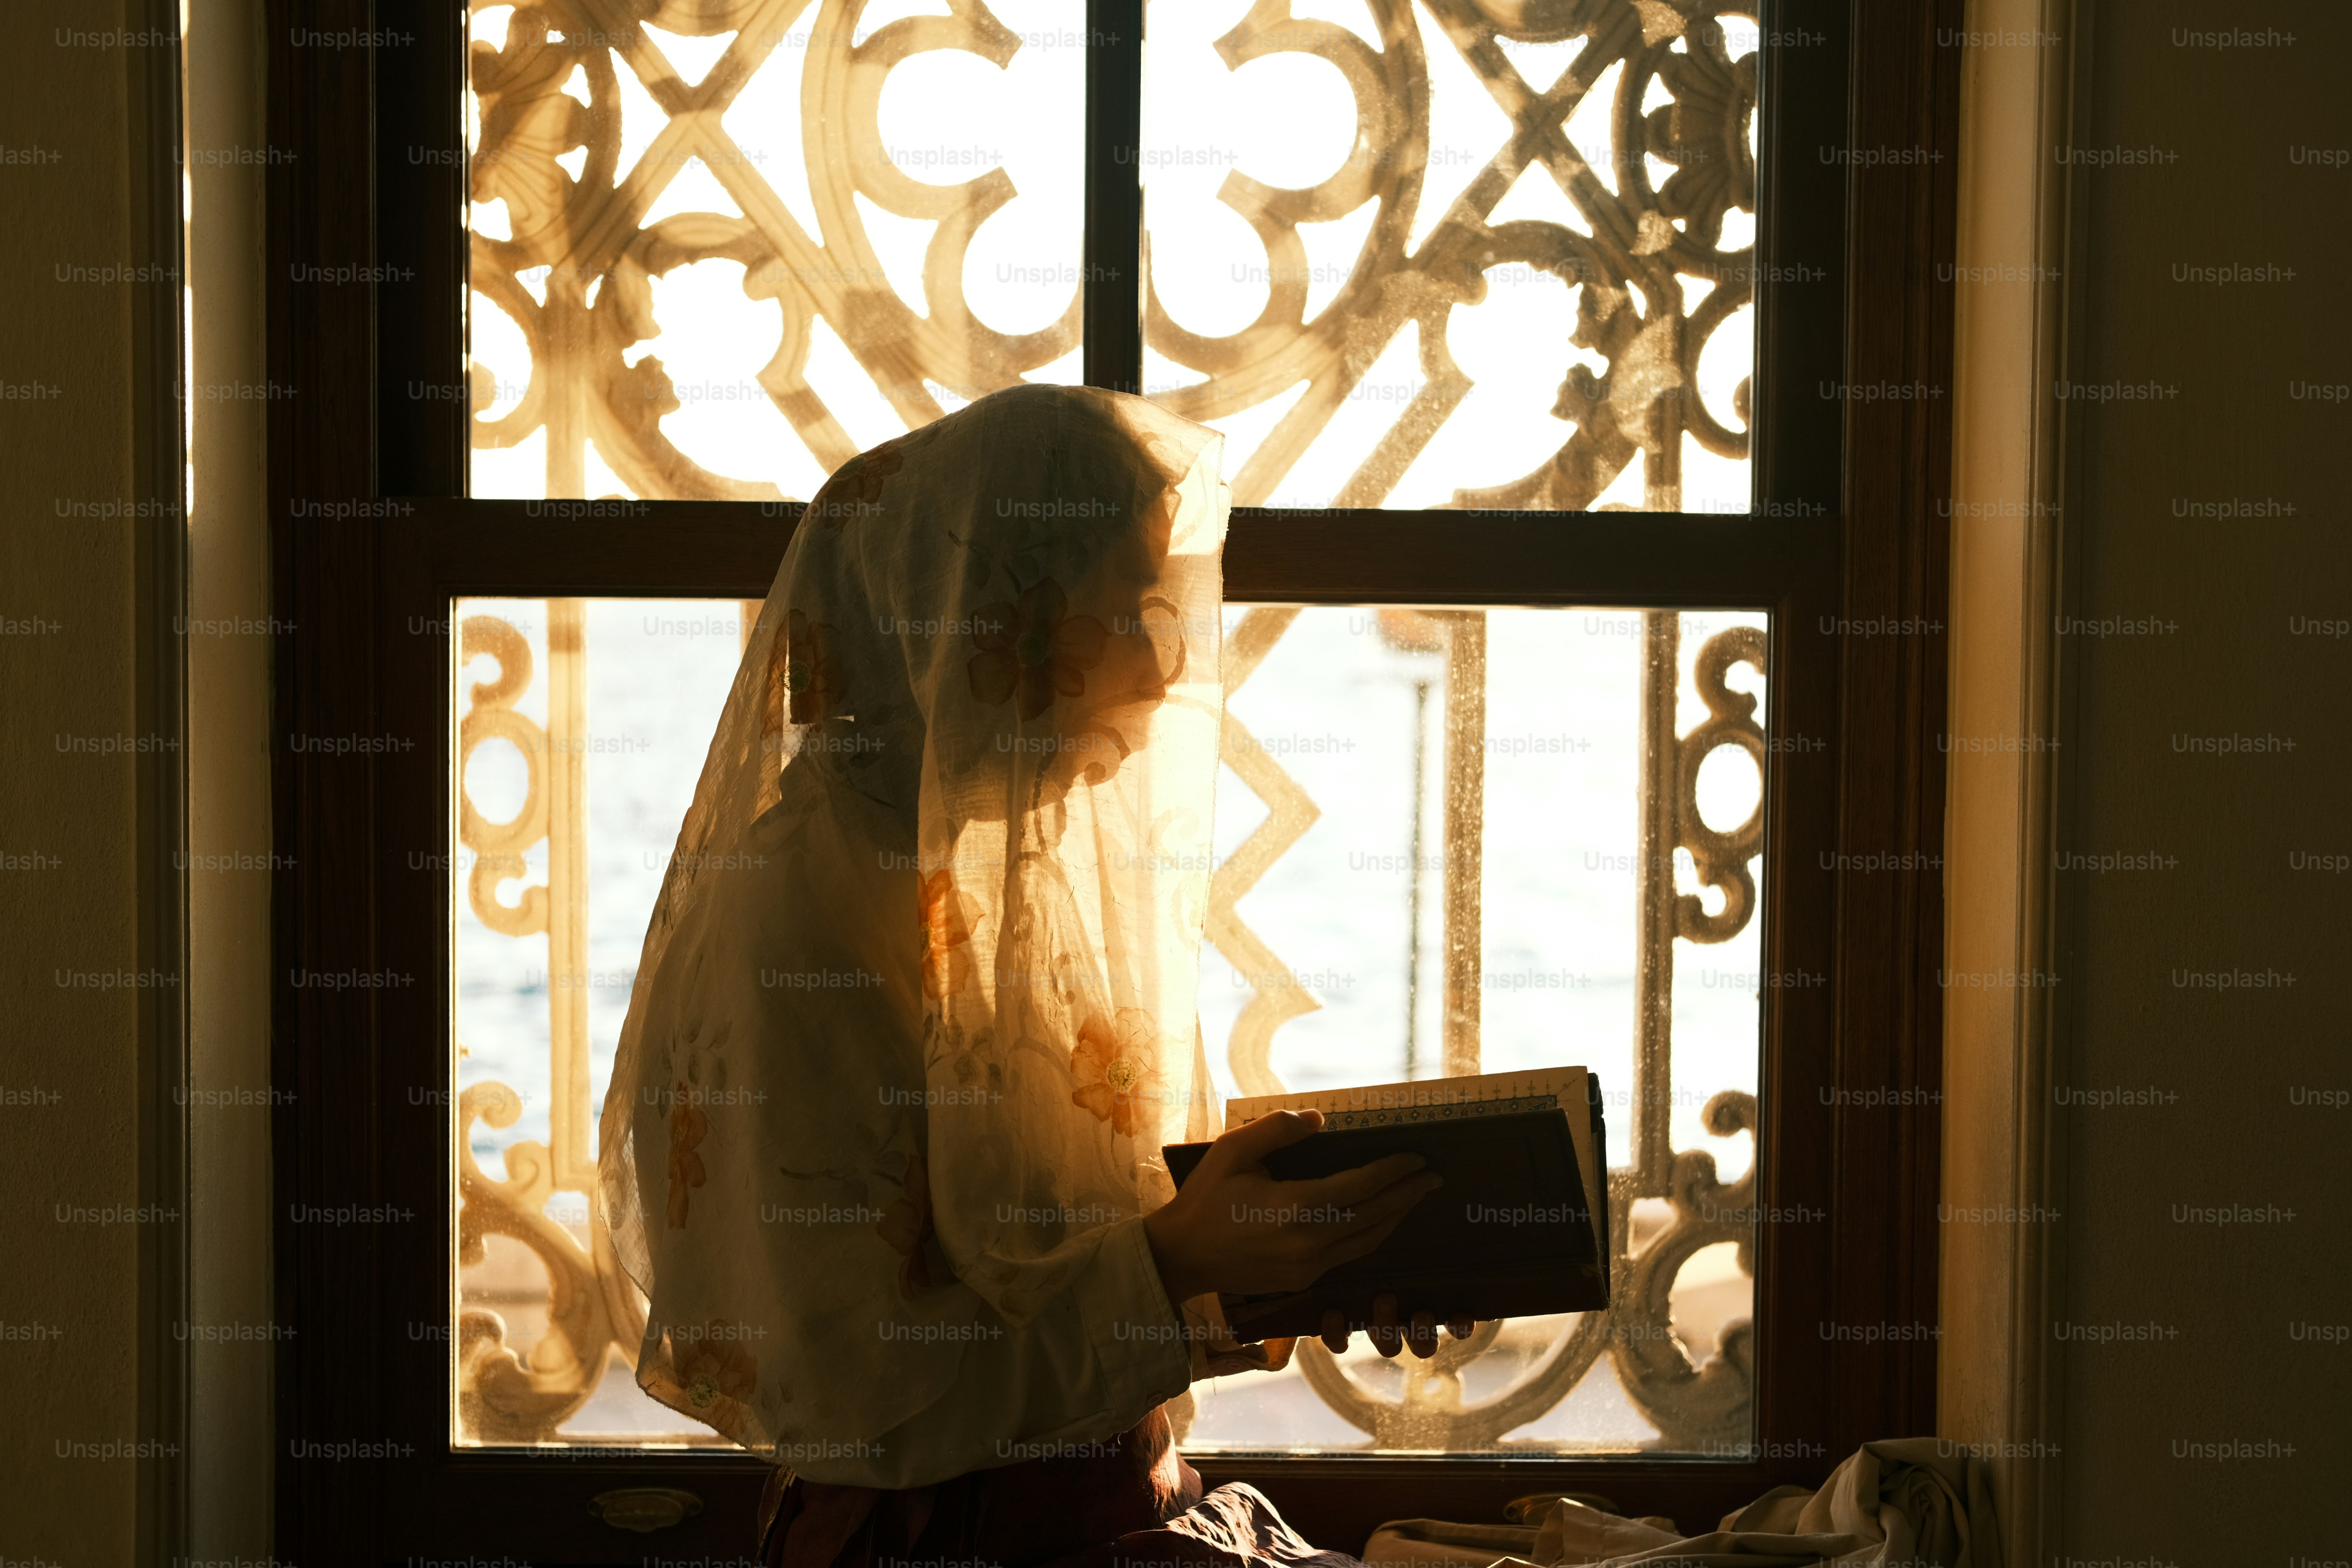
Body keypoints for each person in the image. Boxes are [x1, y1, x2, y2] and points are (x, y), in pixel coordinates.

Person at [598, 385, 1473, 1568]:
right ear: (979, 618)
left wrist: (1301, 1265)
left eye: (1161, 613)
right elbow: (856, 1387)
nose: (1161, 671)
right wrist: (1180, 1263)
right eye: (1122, 611)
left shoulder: (984, 868)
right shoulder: (798, 913)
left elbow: (1039, 1274)